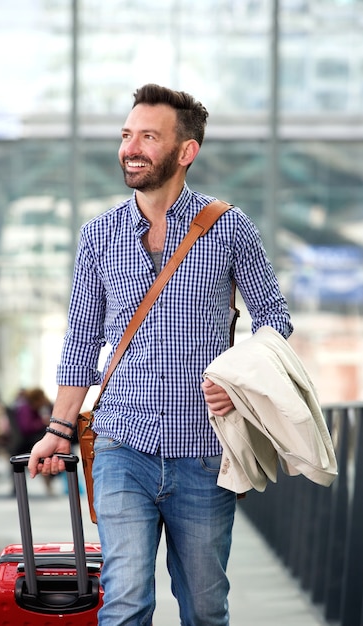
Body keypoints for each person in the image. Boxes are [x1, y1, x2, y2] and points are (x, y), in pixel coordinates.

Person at [28, 83, 293, 625]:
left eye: (149, 136)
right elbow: (81, 342)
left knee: (204, 606)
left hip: (204, 454)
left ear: (185, 151)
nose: (132, 147)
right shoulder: (97, 235)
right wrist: (57, 429)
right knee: (125, 602)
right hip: (122, 447)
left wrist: (239, 380)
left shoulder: (229, 226)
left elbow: (275, 320)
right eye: (127, 135)